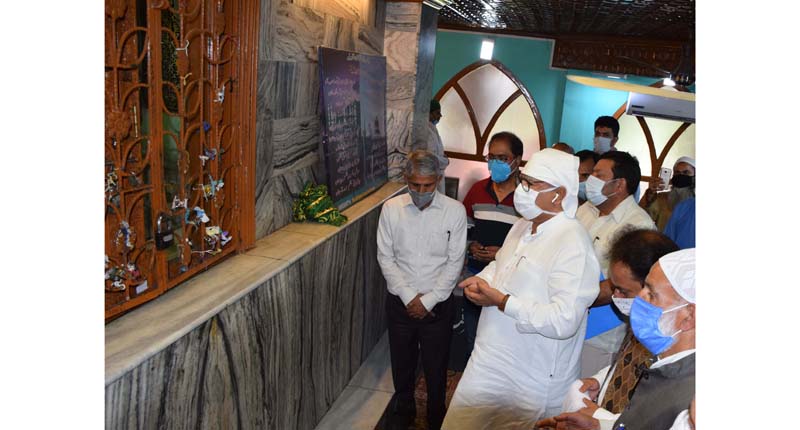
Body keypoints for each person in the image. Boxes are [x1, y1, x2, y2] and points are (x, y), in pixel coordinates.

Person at [442, 148, 600, 429]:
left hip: (530, 377)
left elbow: (565, 320)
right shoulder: (522, 226)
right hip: (489, 358)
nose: (522, 189)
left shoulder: (573, 242)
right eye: (523, 180)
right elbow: (501, 266)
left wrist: (503, 301)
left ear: (558, 194)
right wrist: (483, 285)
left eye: (531, 184)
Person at [537, 248, 696, 430]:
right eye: (643, 288)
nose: (639, 299)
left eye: (651, 295)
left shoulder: (690, 400)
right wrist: (601, 426)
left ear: (688, 316)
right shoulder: (667, 362)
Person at [376, 150, 467, 430]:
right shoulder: (391, 209)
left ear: (438, 180)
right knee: (402, 364)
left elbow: (455, 262)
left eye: (427, 186)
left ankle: (436, 416)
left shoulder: (455, 211)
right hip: (400, 303)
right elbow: (385, 257)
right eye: (415, 185)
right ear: (406, 179)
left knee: (435, 365)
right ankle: (403, 413)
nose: (421, 191)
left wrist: (427, 301)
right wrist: (408, 297)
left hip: (438, 305)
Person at [576, 151, 656, 378]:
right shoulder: (586, 210)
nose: (590, 180)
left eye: (598, 175)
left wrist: (573, 297)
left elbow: (629, 286)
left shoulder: (638, 226)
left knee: (581, 398)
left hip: (601, 334)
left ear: (619, 184)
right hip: (569, 322)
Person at [461, 132, 524, 357]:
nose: (495, 163)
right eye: (491, 157)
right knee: (473, 337)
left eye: (502, 158)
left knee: (501, 342)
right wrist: (470, 247)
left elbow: (531, 241)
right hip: (476, 276)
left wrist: (503, 254)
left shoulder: (527, 196)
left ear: (517, 160)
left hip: (510, 285)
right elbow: (464, 229)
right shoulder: (477, 190)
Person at [639, 156, 696, 231]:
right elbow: (642, 215)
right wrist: (650, 193)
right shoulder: (662, 198)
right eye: (677, 172)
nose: (681, 176)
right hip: (664, 241)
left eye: (686, 172)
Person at [416, 99, 450, 193]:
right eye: (437, 113)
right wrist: (446, 161)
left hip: (436, 175)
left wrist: (442, 158)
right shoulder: (425, 131)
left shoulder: (432, 129)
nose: (440, 116)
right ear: (428, 113)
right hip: (429, 177)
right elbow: (429, 157)